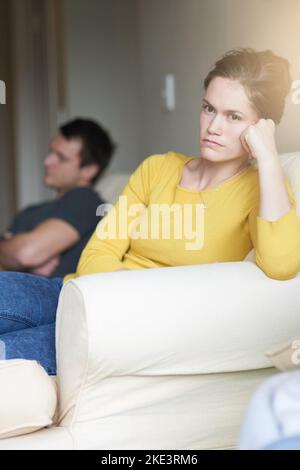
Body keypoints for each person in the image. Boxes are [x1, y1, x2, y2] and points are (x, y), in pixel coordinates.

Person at [0, 48, 299, 375]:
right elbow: (96, 254)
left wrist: (269, 156)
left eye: (234, 117)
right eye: (208, 109)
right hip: (74, 293)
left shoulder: (263, 190)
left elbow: (281, 265)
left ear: (261, 127)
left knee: (8, 353)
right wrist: (140, 285)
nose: (213, 127)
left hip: (122, 329)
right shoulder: (157, 168)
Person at [0, 118, 115, 278]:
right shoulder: (30, 211)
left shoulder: (87, 201)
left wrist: (14, 251)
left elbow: (25, 253)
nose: (47, 161)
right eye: (51, 152)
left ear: (88, 170)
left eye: (61, 158)